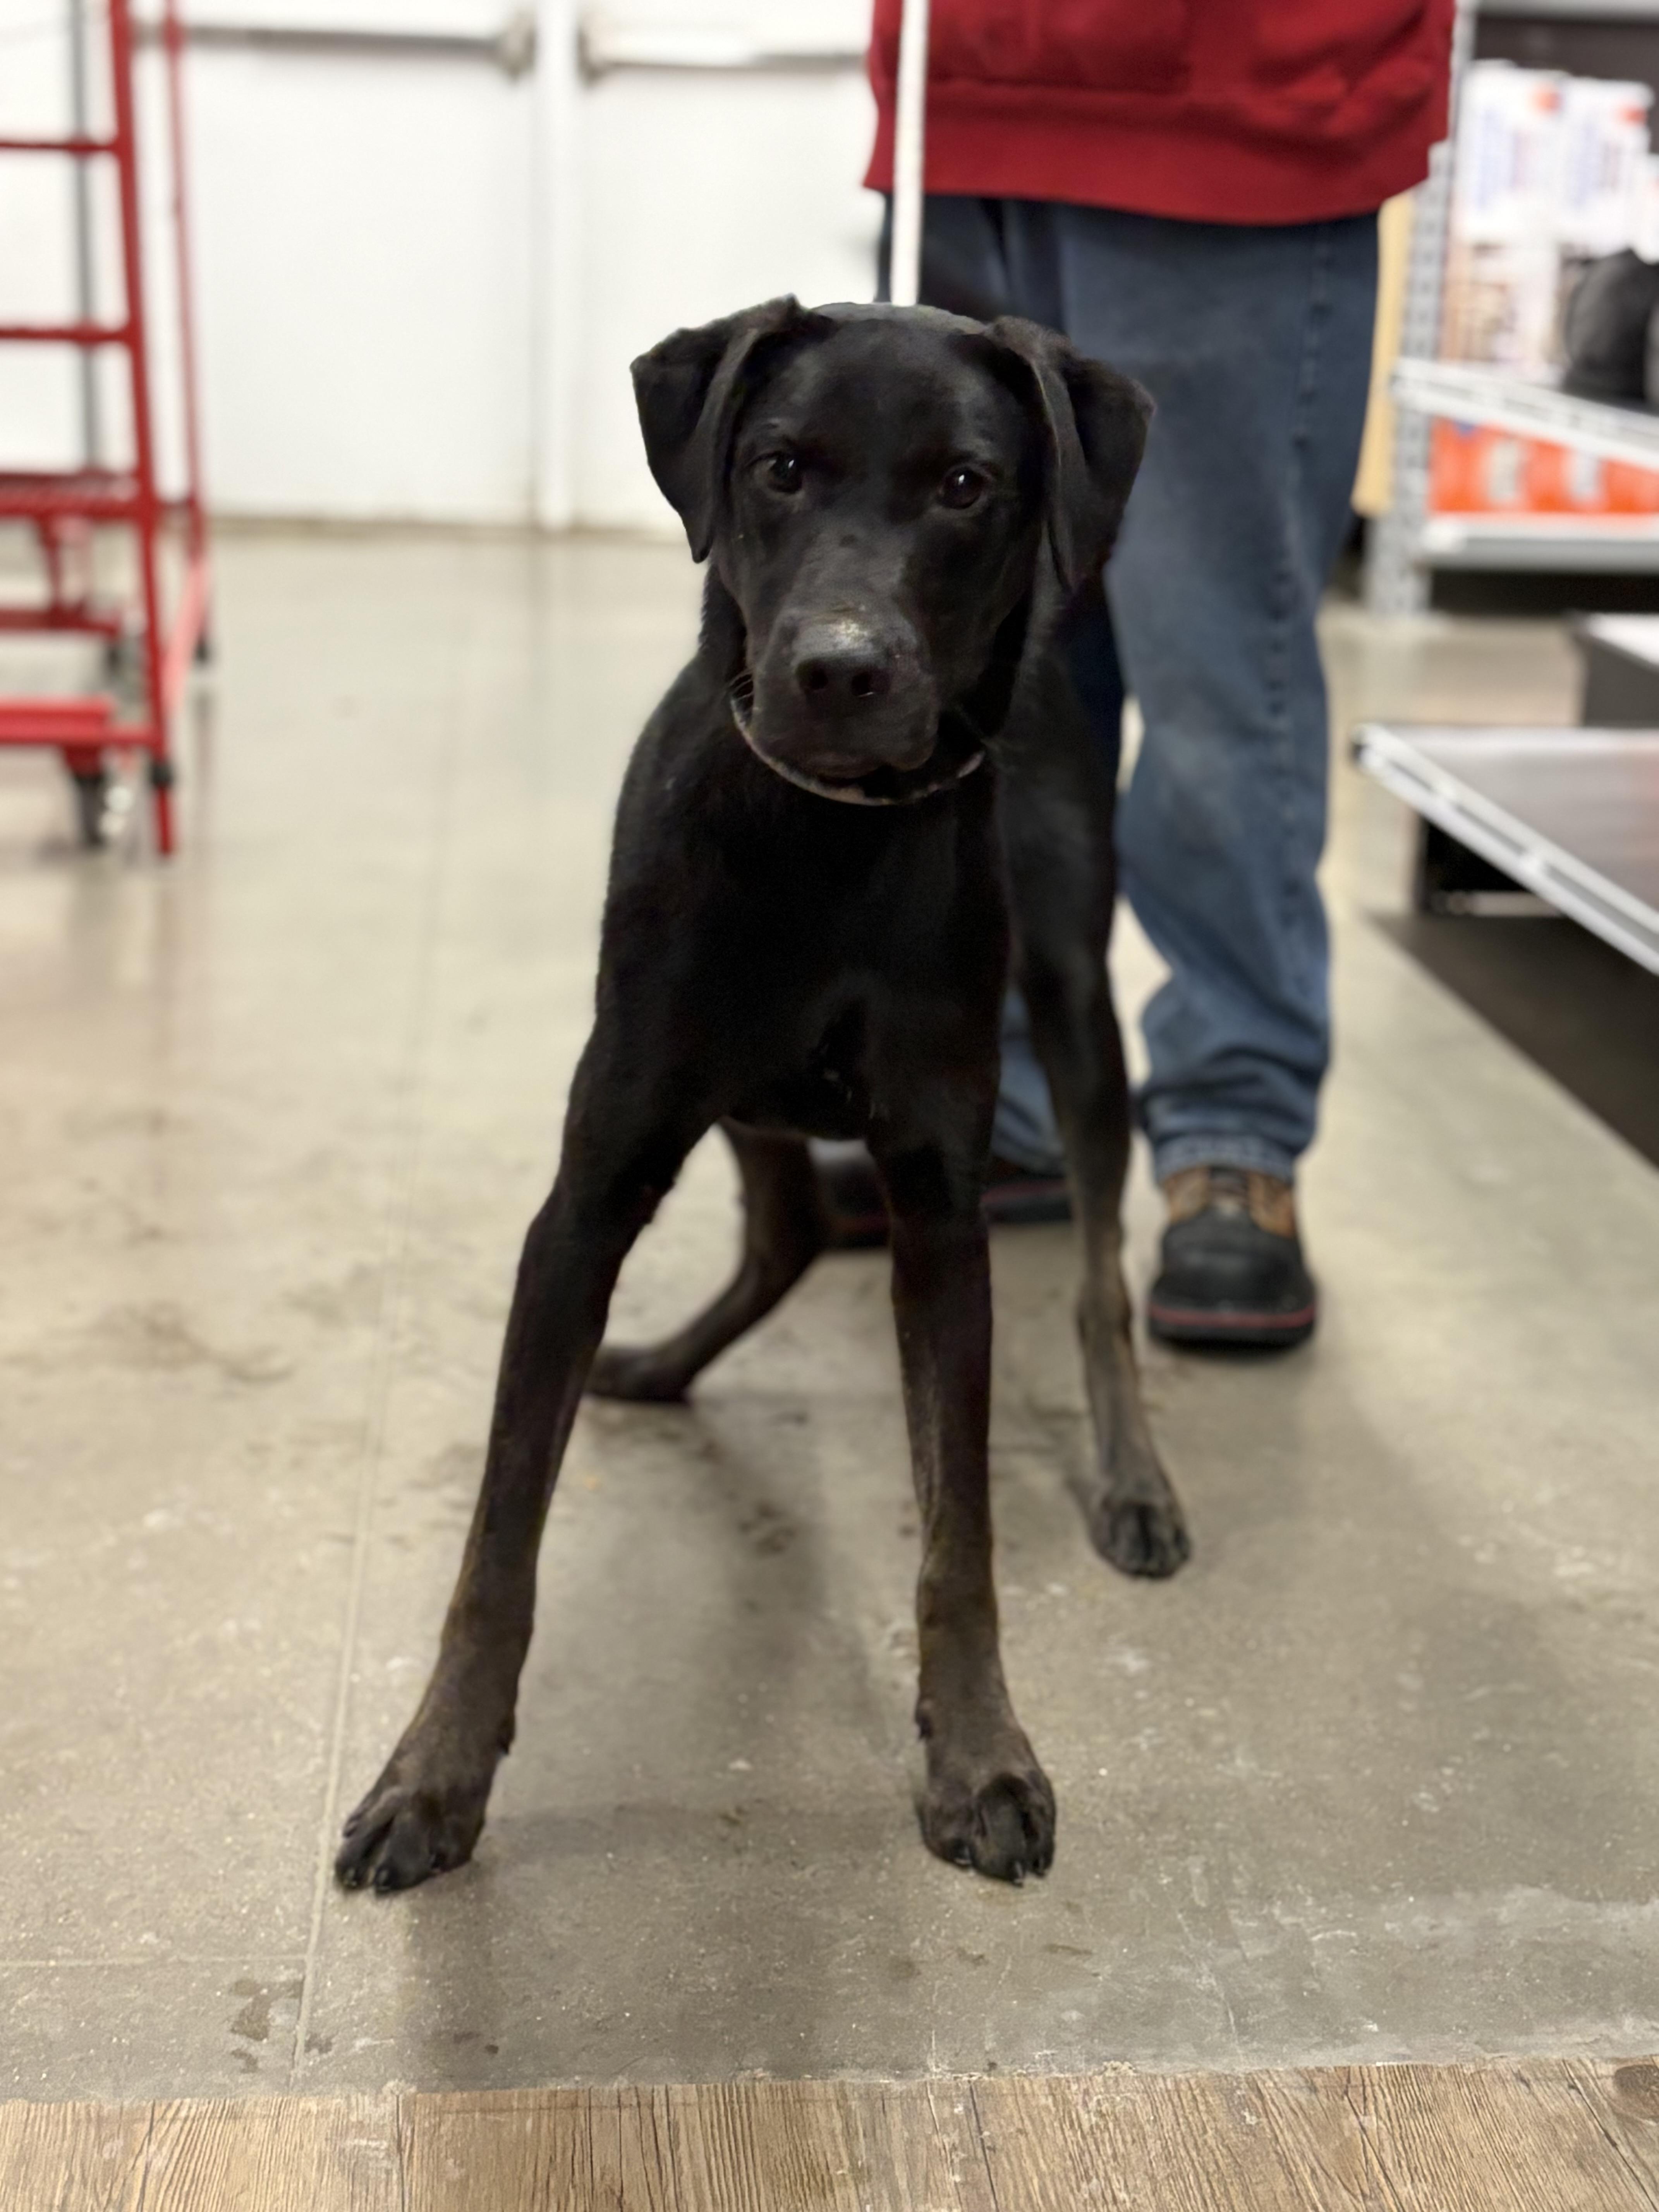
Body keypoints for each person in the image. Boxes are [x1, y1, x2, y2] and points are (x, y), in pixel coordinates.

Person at [818, 0, 1455, 1350]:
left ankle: (1232, 1126)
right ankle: (1012, 1092)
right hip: (970, 89)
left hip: (1237, 97)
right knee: (989, 668)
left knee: (1218, 673)